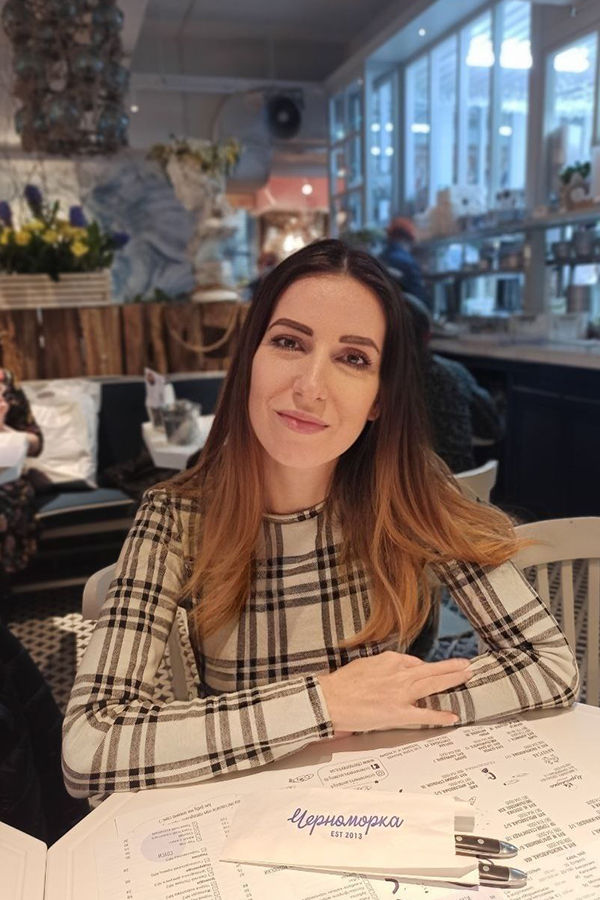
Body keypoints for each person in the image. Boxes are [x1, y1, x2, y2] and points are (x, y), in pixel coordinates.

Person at [62, 239, 578, 800]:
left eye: (353, 359)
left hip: (388, 797)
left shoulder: (410, 489)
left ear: (379, 399)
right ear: (250, 359)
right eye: (289, 342)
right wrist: (326, 703)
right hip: (247, 808)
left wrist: (382, 704)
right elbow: (90, 744)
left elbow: (549, 665)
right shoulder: (176, 515)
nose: (310, 387)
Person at [405, 295, 504, 473]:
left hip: (411, 487)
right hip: (466, 485)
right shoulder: (455, 372)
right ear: (428, 337)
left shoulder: (382, 382)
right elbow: (492, 429)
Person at [0, 369, 43, 600]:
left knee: (8, 500)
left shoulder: (7, 382)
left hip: (7, 476)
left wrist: (4, 428)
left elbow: (37, 444)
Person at [379, 216, 429, 309]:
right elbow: (419, 299)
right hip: (410, 314)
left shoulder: (380, 259)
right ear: (406, 239)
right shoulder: (409, 262)